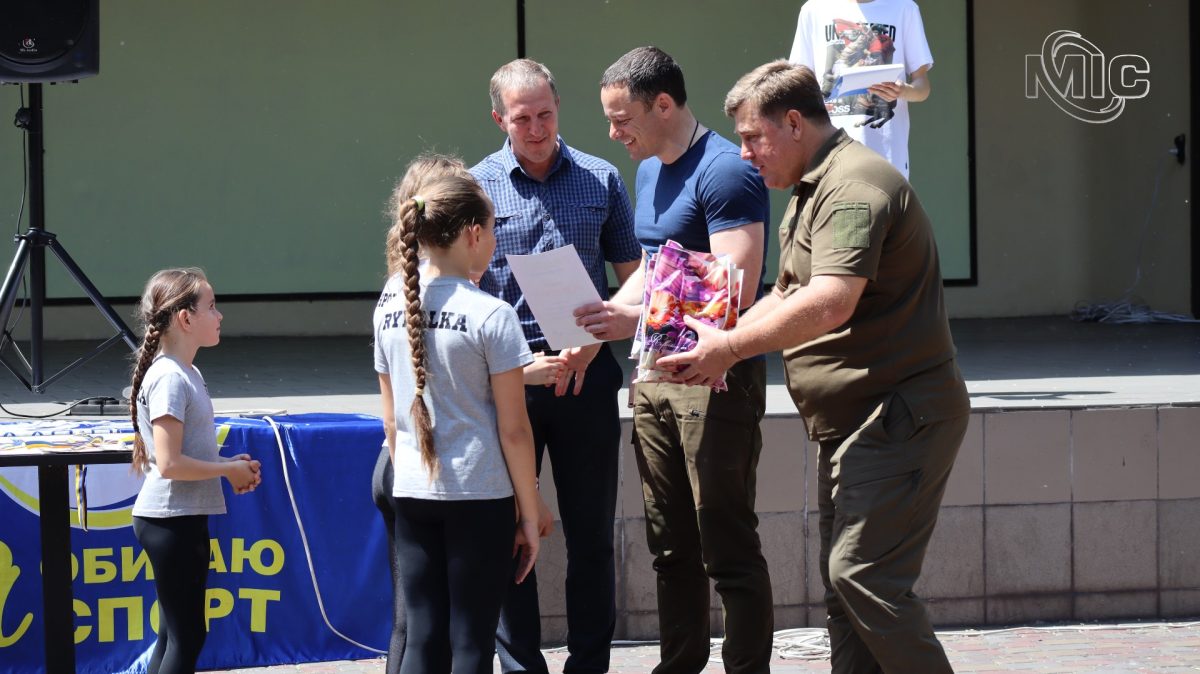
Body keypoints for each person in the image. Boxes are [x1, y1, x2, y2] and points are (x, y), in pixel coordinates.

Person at [662, 59, 970, 674]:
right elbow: (787, 292)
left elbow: (831, 300)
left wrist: (729, 349)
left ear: (795, 123)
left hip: (896, 416)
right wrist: (716, 337)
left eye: (754, 137)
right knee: (845, 593)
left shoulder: (855, 187)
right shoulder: (813, 186)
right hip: (856, 422)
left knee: (864, 578)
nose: (745, 153)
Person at [579, 46, 774, 674]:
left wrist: (634, 318)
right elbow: (654, 264)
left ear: (663, 105)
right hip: (654, 377)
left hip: (714, 377)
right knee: (670, 547)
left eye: (622, 119)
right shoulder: (646, 172)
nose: (614, 134)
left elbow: (734, 291)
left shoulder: (726, 171)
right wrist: (607, 315)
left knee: (727, 546)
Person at [470, 58, 641, 674]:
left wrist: (601, 337)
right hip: (511, 377)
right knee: (511, 527)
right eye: (523, 119)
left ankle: (589, 664)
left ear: (559, 107)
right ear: (499, 119)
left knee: (592, 533)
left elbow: (635, 275)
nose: (538, 128)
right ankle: (521, 667)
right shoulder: (476, 188)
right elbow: (463, 289)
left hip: (588, 372)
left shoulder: (600, 178)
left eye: (546, 114)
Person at [372, 154, 567, 674]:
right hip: (478, 495)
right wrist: (529, 511)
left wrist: (411, 473)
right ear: (474, 234)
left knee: (422, 637)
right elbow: (514, 429)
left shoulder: (390, 303)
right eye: (494, 230)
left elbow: (390, 420)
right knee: (470, 644)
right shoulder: (491, 314)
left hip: (413, 488)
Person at [129, 268, 262, 674]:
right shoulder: (170, 378)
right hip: (169, 520)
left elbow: (183, 453)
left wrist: (229, 465)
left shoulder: (187, 373)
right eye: (212, 307)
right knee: (187, 637)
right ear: (186, 318)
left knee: (175, 635)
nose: (219, 316)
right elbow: (169, 463)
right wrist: (225, 471)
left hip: (180, 518)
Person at [788, 0, 932, 178]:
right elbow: (798, 85)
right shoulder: (813, 10)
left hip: (886, 157)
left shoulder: (904, 8)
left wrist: (904, 91)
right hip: (827, 155)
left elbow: (923, 86)